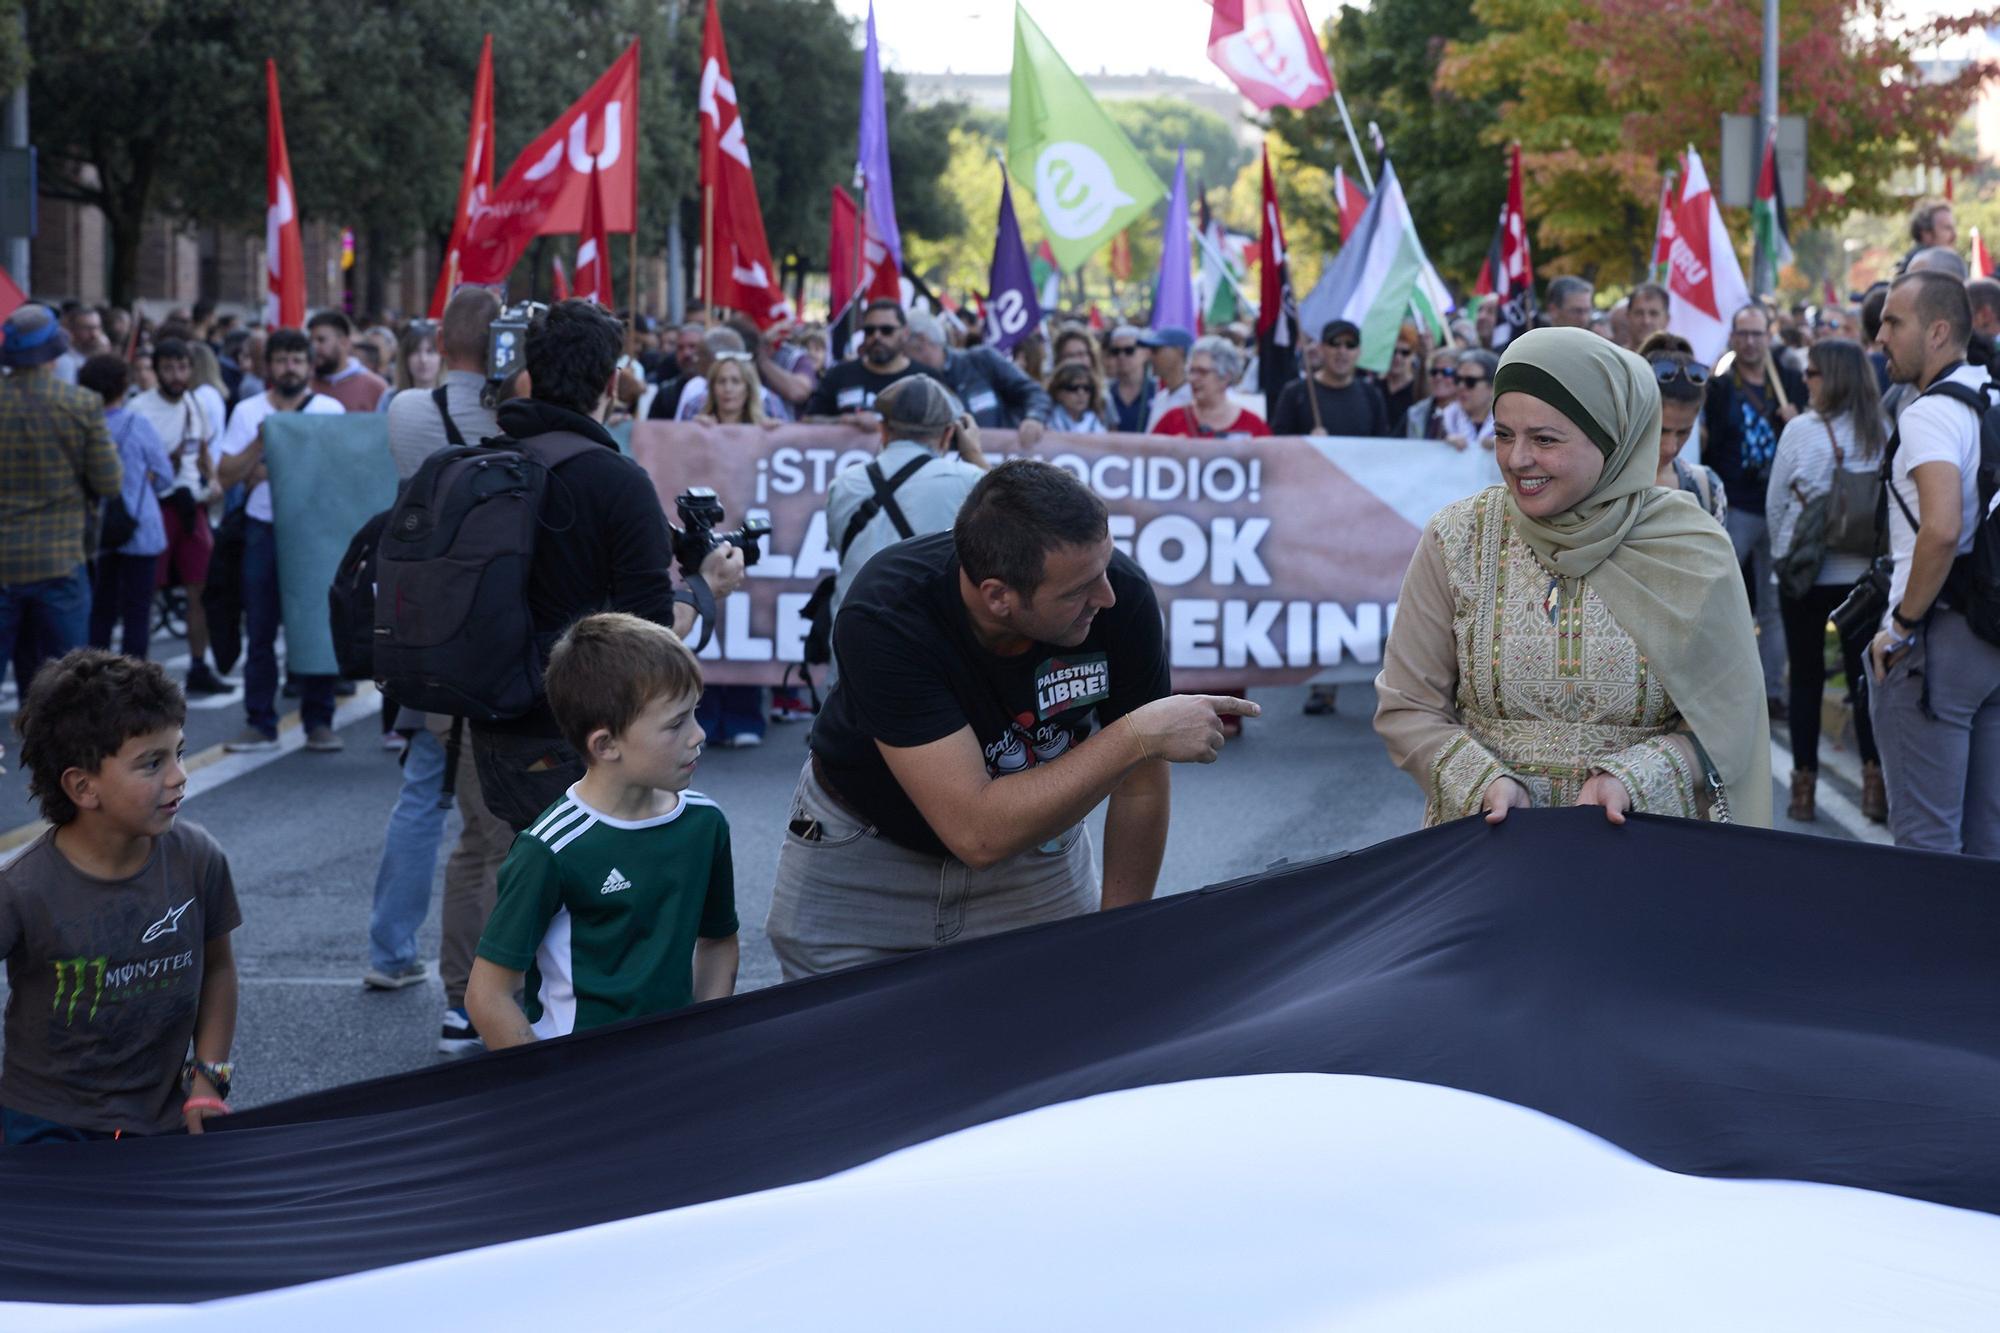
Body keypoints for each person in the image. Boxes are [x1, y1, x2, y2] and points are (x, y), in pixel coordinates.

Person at [766, 459, 1256, 980]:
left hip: (1035, 863)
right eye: (1077, 591)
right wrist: (1135, 737)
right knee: (841, 1053)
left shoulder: (1119, 597)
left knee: (1054, 1048)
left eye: (1105, 569)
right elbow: (977, 833)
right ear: (998, 595)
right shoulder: (889, 613)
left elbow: (1139, 789)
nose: (1107, 597)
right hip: (865, 866)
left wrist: (1119, 935)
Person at [1374, 327, 1773, 828]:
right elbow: (1408, 704)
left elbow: (1730, 720)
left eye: (1544, 439)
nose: (1517, 459)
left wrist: (1634, 779)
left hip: (1641, 857)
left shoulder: (1690, 548)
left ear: (1611, 439)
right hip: (1487, 853)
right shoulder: (1458, 537)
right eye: (1503, 435)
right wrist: (1482, 782)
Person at [469, 300, 747, 833]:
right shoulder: (617, 482)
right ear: (614, 384)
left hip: (493, 726)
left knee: (523, 882)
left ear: (531, 376)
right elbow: (650, 637)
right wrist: (706, 584)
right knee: (601, 899)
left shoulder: (493, 460)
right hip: (578, 739)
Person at [465, 613, 738, 1048]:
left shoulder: (705, 824)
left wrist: (702, 1041)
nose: (698, 735)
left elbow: (718, 942)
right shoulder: (549, 849)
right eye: (675, 724)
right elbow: (487, 995)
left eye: (695, 714)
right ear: (605, 745)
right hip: (581, 1086)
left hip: (673, 1072)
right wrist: (549, 1090)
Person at [1, 650, 239, 1142]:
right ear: (84, 787)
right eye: (152, 762)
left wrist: (209, 1080)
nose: (179, 774)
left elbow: (218, 969)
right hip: (45, 1128)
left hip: (167, 1121)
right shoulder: (21, 889)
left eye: (178, 751)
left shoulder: (198, 859)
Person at [364, 288, 515, 1058]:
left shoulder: (404, 411)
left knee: (426, 795)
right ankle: (487, 991)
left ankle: (397, 953)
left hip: (425, 638)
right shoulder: (509, 414)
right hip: (496, 639)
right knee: (493, 828)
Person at [1868, 271, 2000, 856]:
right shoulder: (1993, 394)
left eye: (1894, 322)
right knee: (1984, 840)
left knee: (1925, 845)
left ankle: (1931, 951)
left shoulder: (1928, 414)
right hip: (1991, 636)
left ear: (1939, 330)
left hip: (1936, 642)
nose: (1880, 336)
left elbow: (1942, 529)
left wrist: (1901, 626)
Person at [1765, 337, 1887, 824]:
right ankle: (1874, 788)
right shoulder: (1881, 429)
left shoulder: (1800, 431)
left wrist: (1783, 557)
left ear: (1830, 378)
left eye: (1812, 373)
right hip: (1863, 577)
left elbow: (1777, 503)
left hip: (1807, 575)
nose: (1805, 380)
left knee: (1807, 679)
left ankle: (1802, 790)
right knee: (1862, 681)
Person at [214, 328, 346, 753]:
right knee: (261, 626)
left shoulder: (329, 408)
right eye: (282, 360)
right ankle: (260, 721)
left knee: (315, 624)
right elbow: (226, 474)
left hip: (312, 531)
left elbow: (336, 471)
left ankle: (319, 719)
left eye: (297, 360)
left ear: (309, 366)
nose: (289, 367)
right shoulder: (248, 410)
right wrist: (261, 440)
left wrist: (285, 471)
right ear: (268, 366)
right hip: (262, 528)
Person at [0, 305, 123, 691]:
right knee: (68, 688)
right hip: (60, 562)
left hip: (3, 563)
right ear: (54, 350)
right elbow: (109, 482)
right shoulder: (81, 404)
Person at [824, 375, 989, 642]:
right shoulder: (969, 481)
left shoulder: (843, 484)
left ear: (884, 430)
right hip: (931, 646)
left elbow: (839, 546)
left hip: (853, 640)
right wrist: (975, 455)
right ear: (948, 434)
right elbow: (1012, 525)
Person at [1705, 302, 1807, 718]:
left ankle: (1771, 692)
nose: (1749, 342)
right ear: (1732, 337)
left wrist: (1795, 419)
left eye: (1757, 334)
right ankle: (1719, 687)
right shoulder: (1720, 387)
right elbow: (1709, 441)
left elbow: (1807, 436)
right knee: (1722, 596)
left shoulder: (1789, 382)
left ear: (1770, 336)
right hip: (1738, 503)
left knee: (1773, 604)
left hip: (1779, 506)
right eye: (1742, 334)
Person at [127, 337, 226, 693]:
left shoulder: (195, 404)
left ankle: (199, 665)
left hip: (192, 507)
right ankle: (139, 676)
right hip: (155, 508)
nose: (176, 374)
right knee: (146, 592)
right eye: (168, 368)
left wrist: (212, 479)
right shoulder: (140, 409)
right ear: (156, 371)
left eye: (182, 367)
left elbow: (201, 450)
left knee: (200, 589)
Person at [78, 356, 174, 660]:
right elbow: (165, 476)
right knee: (137, 612)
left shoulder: (81, 425)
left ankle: (95, 679)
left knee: (100, 610)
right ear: (123, 386)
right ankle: (133, 685)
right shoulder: (137, 423)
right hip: (140, 526)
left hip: (96, 530)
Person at [905, 308, 1052, 445]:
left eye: (902, 344)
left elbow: (1034, 392)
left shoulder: (981, 360)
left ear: (921, 340)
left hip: (998, 460)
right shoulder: (909, 381)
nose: (900, 355)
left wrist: (1034, 418)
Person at [1639, 333, 1727, 524]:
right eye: (1661, 430)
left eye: (1684, 432)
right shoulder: (1597, 482)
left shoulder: (1707, 489)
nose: (1671, 447)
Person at [804, 299, 927, 422]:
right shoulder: (838, 375)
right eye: (870, 330)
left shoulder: (925, 379)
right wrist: (844, 420)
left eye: (886, 330)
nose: (876, 336)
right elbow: (808, 420)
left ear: (905, 333)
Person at [1270, 320, 1390, 437]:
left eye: (1350, 345)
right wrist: (1307, 442)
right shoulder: (1295, 394)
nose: (1342, 351)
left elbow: (1381, 447)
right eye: (1335, 343)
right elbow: (1278, 445)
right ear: (1321, 348)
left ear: (1359, 352)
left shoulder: (1371, 396)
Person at [1152, 336, 1270, 439]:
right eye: (1192, 371)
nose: (1193, 379)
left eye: (1202, 372)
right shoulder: (1172, 420)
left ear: (1225, 377)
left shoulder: (1252, 425)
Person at [306, 310, 390, 413]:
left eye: (321, 340)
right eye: (310, 341)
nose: (314, 347)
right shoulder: (304, 385)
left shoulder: (376, 388)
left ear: (344, 342)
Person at [1438, 349, 1498, 452]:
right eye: (1458, 379)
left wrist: (1505, 444)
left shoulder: (1510, 423)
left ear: (1492, 386)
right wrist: (1441, 444)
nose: (1461, 386)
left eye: (1470, 381)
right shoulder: (1441, 420)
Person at [1103, 324, 1155, 432]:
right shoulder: (1103, 392)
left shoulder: (1158, 391)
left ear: (1146, 353)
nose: (1121, 356)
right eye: (1115, 351)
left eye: (1129, 350)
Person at [1140, 327, 1193, 429]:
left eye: (1156, 350)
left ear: (1179, 351)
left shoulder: (1196, 397)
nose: (1150, 357)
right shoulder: (1160, 398)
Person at [1404, 349, 1460, 439]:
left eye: (1447, 372)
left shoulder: (1472, 413)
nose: (1438, 377)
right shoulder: (1416, 412)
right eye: (1434, 372)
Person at [51, 303, 107, 384]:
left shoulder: (101, 354)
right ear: (71, 330)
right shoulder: (62, 361)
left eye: (97, 327)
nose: (94, 334)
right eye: (87, 328)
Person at [1898, 199, 1957, 276]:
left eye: (1953, 228)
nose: (1954, 235)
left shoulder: (1944, 263)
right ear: (1926, 234)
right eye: (1947, 228)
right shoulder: (1921, 269)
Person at [1047, 361, 1108, 434]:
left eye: (1087, 388)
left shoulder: (1096, 422)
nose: (1081, 393)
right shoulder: (1046, 422)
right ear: (1058, 393)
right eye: (1073, 388)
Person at [393, 320, 442, 394]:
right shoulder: (390, 398)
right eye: (415, 351)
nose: (423, 359)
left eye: (430, 351)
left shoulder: (453, 398)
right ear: (405, 358)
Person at [1627, 283, 1671, 349]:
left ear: (1666, 319)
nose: (1646, 321)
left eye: (1654, 314)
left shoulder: (1678, 359)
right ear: (1628, 316)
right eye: (1639, 313)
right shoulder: (1612, 358)